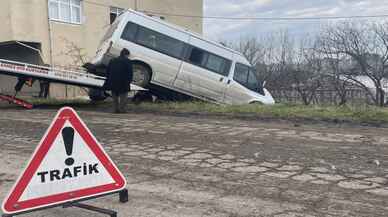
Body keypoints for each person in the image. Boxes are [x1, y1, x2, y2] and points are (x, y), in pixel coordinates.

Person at [103, 48, 133, 113]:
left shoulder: (112, 60)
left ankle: (115, 109)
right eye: (128, 55)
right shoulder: (128, 61)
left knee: (115, 97)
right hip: (123, 82)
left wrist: (108, 80)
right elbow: (130, 73)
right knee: (123, 97)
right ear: (126, 55)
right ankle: (122, 109)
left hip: (112, 81)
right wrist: (129, 81)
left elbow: (107, 71)